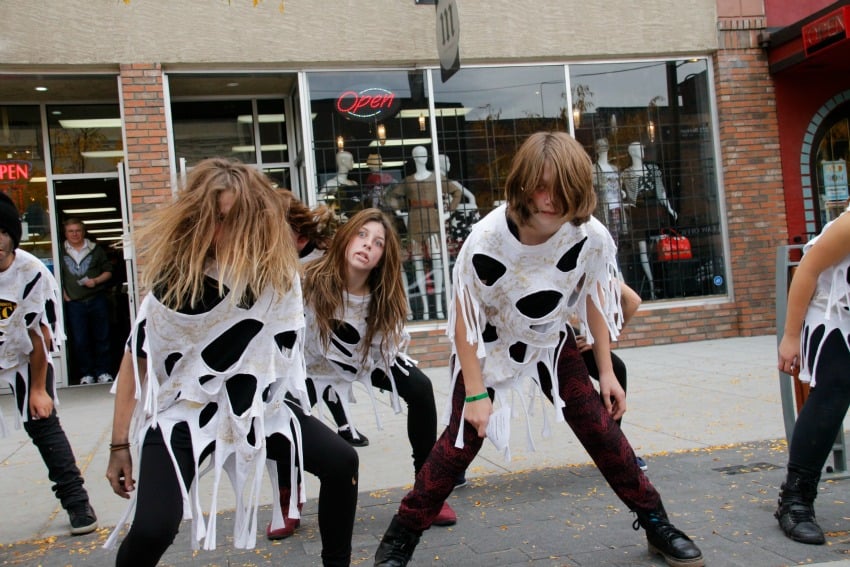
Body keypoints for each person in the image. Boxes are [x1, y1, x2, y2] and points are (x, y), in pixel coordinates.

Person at [374, 132, 703, 567]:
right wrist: (474, 394)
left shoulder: (591, 235)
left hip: (548, 340)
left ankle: (657, 522)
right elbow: (464, 321)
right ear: (524, 183)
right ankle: (401, 537)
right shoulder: (485, 241)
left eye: (563, 188)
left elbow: (595, 296)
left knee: (600, 428)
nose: (550, 200)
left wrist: (605, 371)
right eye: (541, 186)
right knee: (459, 443)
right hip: (489, 346)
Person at [104, 159, 358, 567]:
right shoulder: (176, 280)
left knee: (341, 461)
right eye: (219, 218)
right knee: (154, 528)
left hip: (258, 406)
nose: (229, 229)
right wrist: (119, 445)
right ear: (199, 218)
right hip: (185, 412)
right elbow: (136, 359)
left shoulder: (277, 274)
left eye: (238, 217)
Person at [269, 208, 457, 542]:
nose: (367, 245)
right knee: (285, 418)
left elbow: (387, 344)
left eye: (378, 242)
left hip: (366, 361)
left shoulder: (384, 293)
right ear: (345, 238)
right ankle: (288, 499)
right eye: (361, 235)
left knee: (421, 388)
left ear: (383, 256)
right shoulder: (306, 279)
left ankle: (427, 491)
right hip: (312, 368)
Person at [0, 192, 98, 536]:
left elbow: (39, 334)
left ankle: (77, 503)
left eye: (1, 235)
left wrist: (39, 390)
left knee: (42, 422)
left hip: (27, 352)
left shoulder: (32, 273)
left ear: (12, 238)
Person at [775, 205, 850, 546]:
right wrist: (790, 337)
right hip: (829, 309)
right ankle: (796, 501)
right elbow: (808, 268)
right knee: (835, 387)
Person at [385, 145, 461, 320]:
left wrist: (449, 212)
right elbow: (391, 197)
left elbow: (456, 192)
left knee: (437, 262)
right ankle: (426, 309)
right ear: (413, 158)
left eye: (425, 155)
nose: (422, 158)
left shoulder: (436, 179)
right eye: (418, 155)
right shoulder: (408, 181)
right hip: (415, 223)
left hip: (433, 222)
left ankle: (440, 308)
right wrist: (401, 211)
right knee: (418, 263)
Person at [59, 217, 114, 385]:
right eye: (71, 231)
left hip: (96, 299)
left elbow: (109, 271)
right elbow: (56, 274)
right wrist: (63, 293)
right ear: (65, 233)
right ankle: (86, 374)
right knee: (80, 340)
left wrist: (96, 281)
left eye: (77, 230)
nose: (74, 234)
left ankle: (103, 371)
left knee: (102, 338)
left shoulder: (95, 249)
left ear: (83, 232)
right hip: (74, 303)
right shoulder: (59, 250)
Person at [621, 142, 678, 300]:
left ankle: (661, 284)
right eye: (639, 149)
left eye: (642, 148)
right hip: (638, 215)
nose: (642, 151)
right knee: (643, 251)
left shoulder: (653, 170)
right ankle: (652, 286)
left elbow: (661, 193)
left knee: (659, 248)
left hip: (655, 214)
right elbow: (628, 198)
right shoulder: (626, 173)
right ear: (632, 152)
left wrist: (670, 209)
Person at [592, 137, 626, 247]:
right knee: (604, 237)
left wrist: (621, 192)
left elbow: (618, 185)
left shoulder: (614, 168)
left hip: (616, 206)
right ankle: (607, 262)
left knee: (615, 237)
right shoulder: (593, 169)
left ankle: (614, 261)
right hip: (602, 208)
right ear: (596, 150)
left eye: (604, 146)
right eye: (600, 146)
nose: (603, 149)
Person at [318, 150, 360, 218]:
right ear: (343, 161)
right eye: (351, 160)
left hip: (358, 219)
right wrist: (333, 215)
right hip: (345, 220)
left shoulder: (354, 183)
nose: (353, 162)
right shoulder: (332, 183)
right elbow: (319, 197)